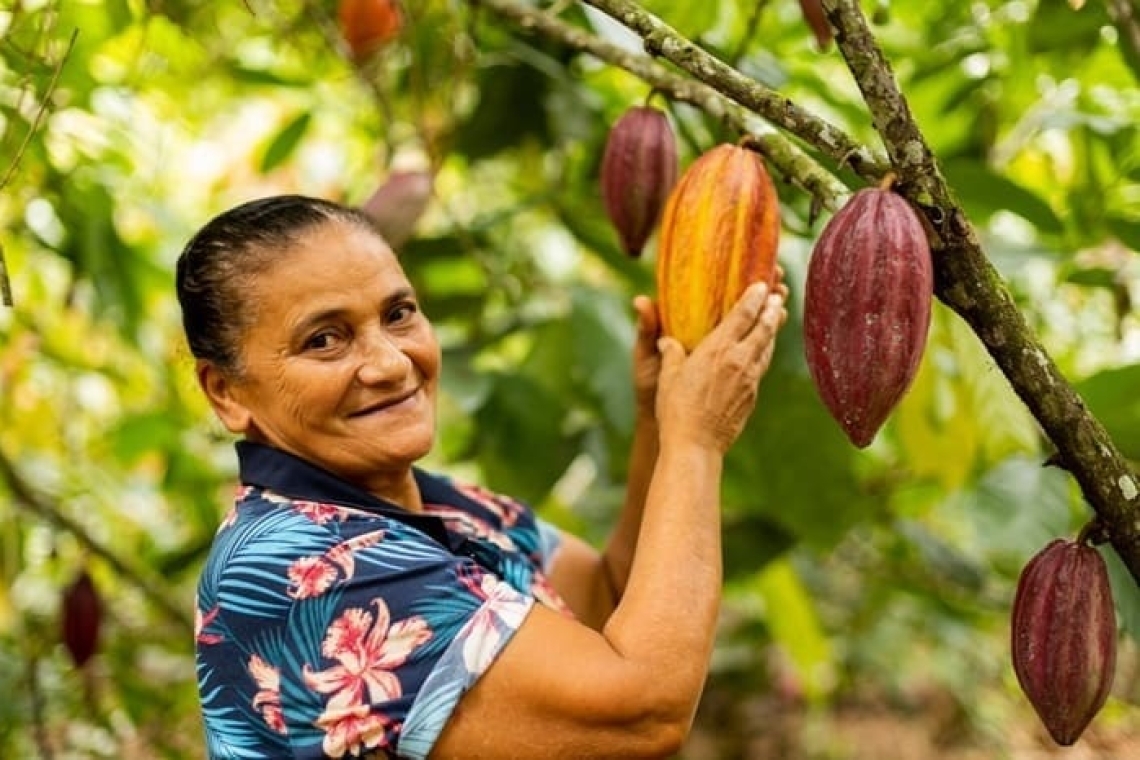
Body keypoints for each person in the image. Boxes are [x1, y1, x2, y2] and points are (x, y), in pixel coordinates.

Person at [178, 194, 788, 760]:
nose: (391, 363)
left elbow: (609, 600)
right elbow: (641, 709)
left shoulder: (451, 508)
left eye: (399, 313)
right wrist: (696, 441)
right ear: (226, 393)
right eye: (326, 339)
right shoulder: (292, 568)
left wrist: (659, 420)